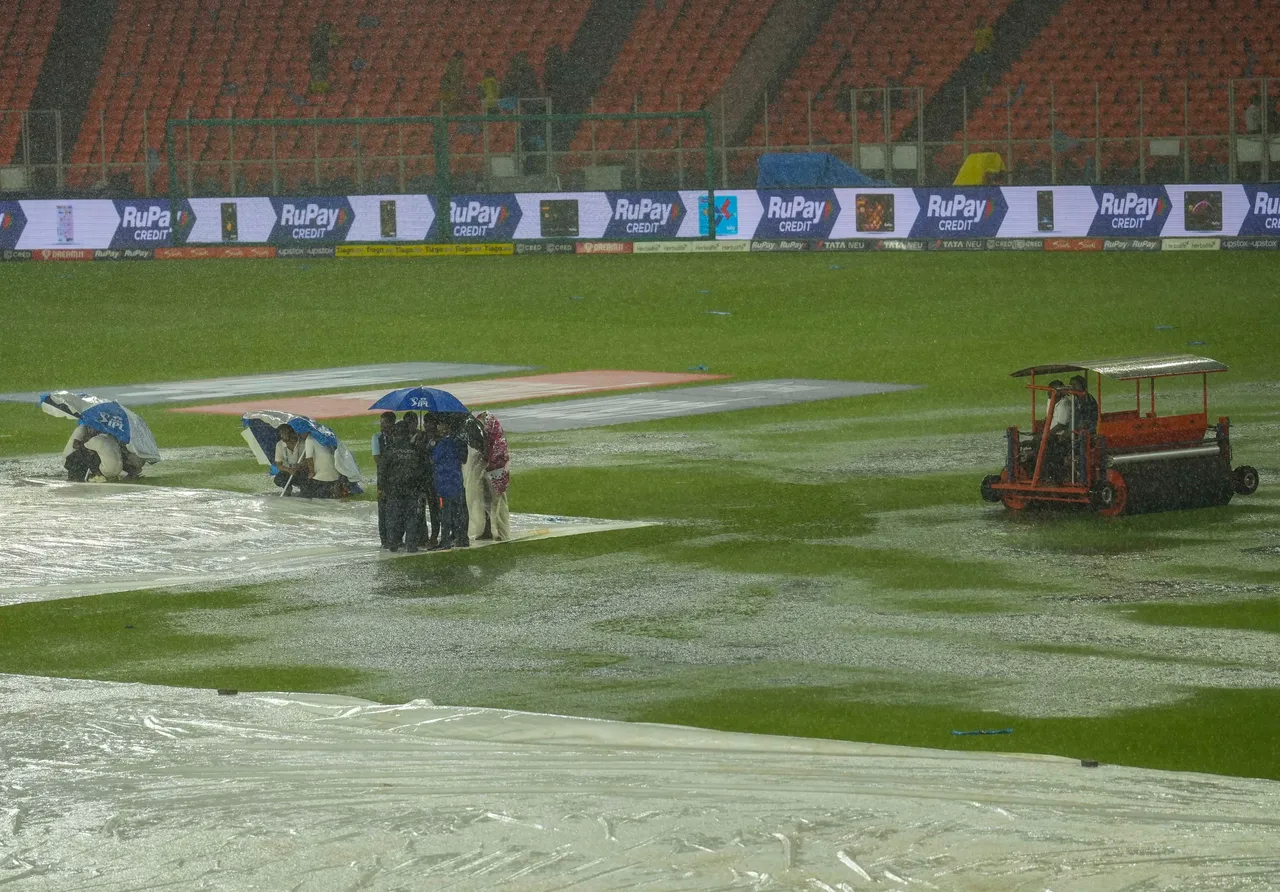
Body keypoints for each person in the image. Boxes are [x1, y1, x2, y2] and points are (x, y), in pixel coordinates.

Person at [378, 421, 426, 552]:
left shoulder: (389, 450)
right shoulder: (416, 450)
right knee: (411, 518)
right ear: (408, 433)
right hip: (412, 489)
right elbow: (423, 470)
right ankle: (411, 545)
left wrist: (381, 488)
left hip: (394, 490)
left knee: (394, 517)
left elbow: (382, 471)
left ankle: (393, 543)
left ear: (395, 434)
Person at [429, 418, 468, 550]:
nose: (437, 427)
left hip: (444, 484)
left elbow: (433, 460)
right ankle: (462, 538)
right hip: (457, 482)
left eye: (439, 424)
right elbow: (464, 459)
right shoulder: (459, 441)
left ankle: (445, 541)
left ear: (446, 426)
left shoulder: (443, 443)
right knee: (459, 513)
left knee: (445, 514)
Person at [475, 410, 510, 541]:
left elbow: (497, 457)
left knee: (498, 502)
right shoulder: (488, 439)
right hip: (487, 471)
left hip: (496, 473)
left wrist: (485, 456)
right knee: (485, 501)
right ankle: (487, 529)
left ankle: (501, 532)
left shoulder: (498, 442)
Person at [461, 413, 489, 543]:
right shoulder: (473, 426)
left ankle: (486, 528)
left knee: (481, 498)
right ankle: (487, 528)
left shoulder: (469, 427)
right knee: (481, 498)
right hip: (478, 467)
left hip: (479, 468)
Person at [372, 411, 397, 547]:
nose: (382, 425)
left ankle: (395, 538)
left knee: (395, 508)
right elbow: (377, 459)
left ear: (392, 423)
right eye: (381, 423)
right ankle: (384, 540)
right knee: (383, 509)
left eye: (385, 422)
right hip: (384, 478)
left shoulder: (396, 437)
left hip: (396, 478)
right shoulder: (377, 438)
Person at [299, 431, 342, 498]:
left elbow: (309, 458)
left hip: (321, 478)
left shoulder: (309, 439)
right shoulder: (325, 437)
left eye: (300, 433)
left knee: (304, 487)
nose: (299, 435)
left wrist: (311, 472)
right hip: (336, 476)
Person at [272, 424, 306, 493]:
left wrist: (300, 467)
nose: (282, 435)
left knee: (306, 487)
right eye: (282, 433)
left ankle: (304, 490)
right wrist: (289, 469)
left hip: (303, 471)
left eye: (284, 433)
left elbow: (309, 461)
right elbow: (279, 465)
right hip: (289, 471)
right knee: (279, 479)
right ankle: (287, 489)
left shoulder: (304, 443)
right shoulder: (279, 445)